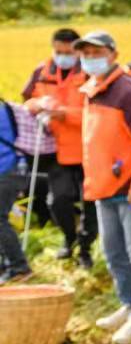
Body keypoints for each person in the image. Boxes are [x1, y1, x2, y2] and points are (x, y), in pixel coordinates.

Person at [76, 31, 131, 344]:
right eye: (86, 53)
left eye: (97, 53)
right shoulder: (91, 90)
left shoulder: (127, 90)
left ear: (113, 54)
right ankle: (128, 301)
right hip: (103, 187)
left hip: (129, 188)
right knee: (114, 252)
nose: (90, 59)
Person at [20, 28, 95, 269]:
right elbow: (26, 101)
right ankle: (69, 238)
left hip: (87, 148)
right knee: (57, 200)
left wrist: (65, 114)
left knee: (90, 201)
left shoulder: (90, 72)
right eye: (58, 52)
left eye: (68, 52)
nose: (63, 57)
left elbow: (98, 112)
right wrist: (38, 104)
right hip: (54, 149)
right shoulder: (41, 72)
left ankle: (85, 248)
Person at [0, 97, 33, 284]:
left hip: (6, 170)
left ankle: (19, 267)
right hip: (16, 169)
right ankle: (7, 265)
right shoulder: (7, 107)